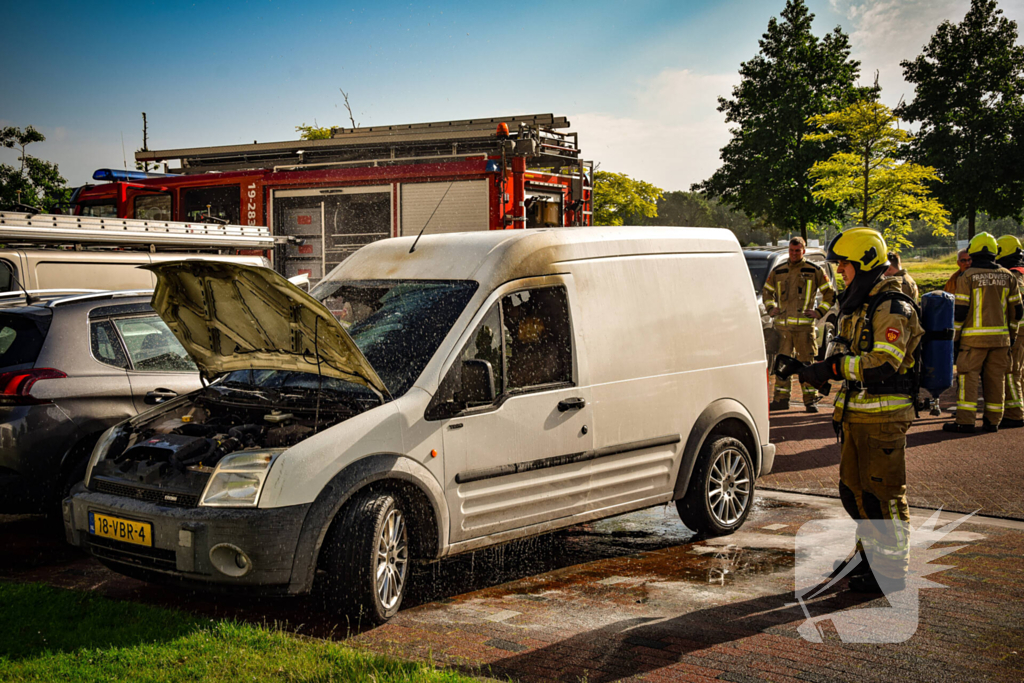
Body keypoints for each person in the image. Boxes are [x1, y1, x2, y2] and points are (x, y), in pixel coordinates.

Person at [797, 227, 924, 593]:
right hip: (855, 414)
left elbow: (885, 363)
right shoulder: (861, 304)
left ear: (865, 263)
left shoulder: (891, 306)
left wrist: (835, 369)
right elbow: (847, 353)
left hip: (885, 418)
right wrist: (818, 371)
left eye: (845, 265)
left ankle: (891, 572)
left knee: (882, 497)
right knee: (854, 492)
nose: (840, 272)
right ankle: (868, 557)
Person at [944, 233, 1023, 433]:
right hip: (1001, 340)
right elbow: (1018, 310)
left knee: (968, 378)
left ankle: (966, 421)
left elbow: (960, 310)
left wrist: (955, 338)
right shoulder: (1007, 275)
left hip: (973, 341)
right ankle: (993, 421)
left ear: (973, 252)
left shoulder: (967, 276)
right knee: (997, 379)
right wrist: (1011, 336)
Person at [762, 237, 836, 412]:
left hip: (804, 329)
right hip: (783, 329)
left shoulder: (814, 270)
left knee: (807, 364)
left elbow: (829, 294)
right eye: (791, 250)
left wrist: (818, 313)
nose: (794, 254)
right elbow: (767, 292)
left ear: (803, 251)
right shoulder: (778, 271)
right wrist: (771, 307)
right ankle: (781, 400)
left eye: (797, 250)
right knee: (782, 365)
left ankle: (810, 401)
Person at [996, 235, 1024, 429]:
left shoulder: (1011, 277)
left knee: (1011, 371)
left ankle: (1015, 413)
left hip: (1018, 329)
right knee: (1021, 371)